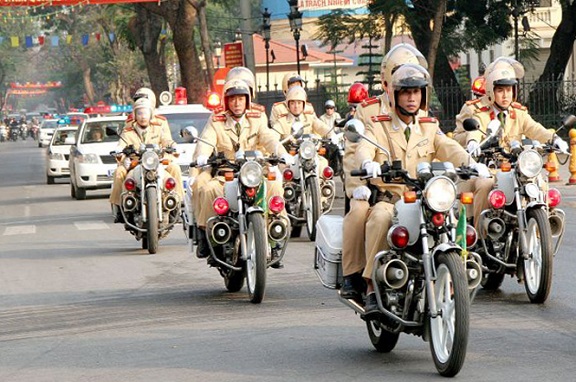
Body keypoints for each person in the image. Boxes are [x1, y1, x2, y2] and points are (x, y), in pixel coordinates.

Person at [352, 63, 490, 313]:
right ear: (395, 95)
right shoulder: (379, 124)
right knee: (380, 217)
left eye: (416, 92)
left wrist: (473, 164)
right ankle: (372, 286)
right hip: (392, 198)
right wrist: (368, 163)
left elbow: (448, 146)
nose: (412, 97)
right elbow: (364, 146)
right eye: (406, 92)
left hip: (425, 198)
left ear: (423, 95)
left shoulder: (428, 125)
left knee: (451, 217)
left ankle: (458, 274)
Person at [340, 44, 429, 300]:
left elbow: (440, 143)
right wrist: (358, 184)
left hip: (412, 191)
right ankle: (354, 274)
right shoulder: (368, 110)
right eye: (400, 75)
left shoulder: (418, 112)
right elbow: (354, 150)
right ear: (387, 80)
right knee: (359, 210)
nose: (410, 92)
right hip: (373, 184)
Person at [190, 79, 293, 258]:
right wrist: (203, 155)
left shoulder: (257, 117)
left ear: (247, 100)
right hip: (226, 171)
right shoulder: (217, 120)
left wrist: (281, 153)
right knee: (208, 189)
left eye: (241, 99)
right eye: (232, 99)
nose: (237, 103)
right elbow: (207, 139)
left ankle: (275, 233)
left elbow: (269, 138)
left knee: (275, 184)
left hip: (253, 170)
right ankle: (206, 235)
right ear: (226, 101)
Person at [109, 97, 183, 222]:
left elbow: (166, 140)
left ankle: (177, 206)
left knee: (175, 167)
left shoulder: (158, 128)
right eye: (139, 113)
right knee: (119, 172)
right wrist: (120, 153)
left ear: (151, 114)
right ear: (135, 115)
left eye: (145, 113)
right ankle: (121, 207)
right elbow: (121, 145)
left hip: (156, 163)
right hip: (135, 164)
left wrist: (173, 146)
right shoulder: (128, 131)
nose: (143, 116)